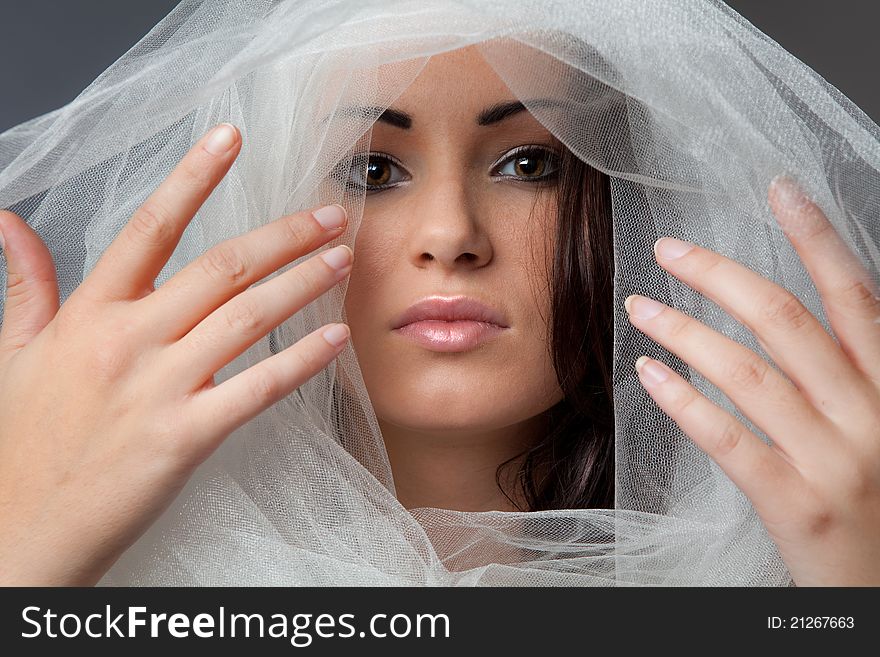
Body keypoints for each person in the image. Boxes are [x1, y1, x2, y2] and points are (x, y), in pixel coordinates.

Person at [1, 0, 878, 587]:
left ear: (624, 196)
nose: (451, 234)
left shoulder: (801, 563)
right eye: (372, 169)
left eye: (529, 163)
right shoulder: (108, 568)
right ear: (255, 196)